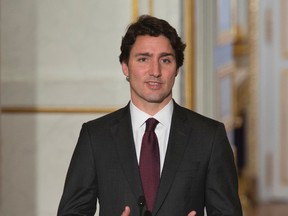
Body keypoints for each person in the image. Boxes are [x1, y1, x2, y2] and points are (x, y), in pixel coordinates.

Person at [57, 15, 242, 216]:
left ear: (177, 69)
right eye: (143, 59)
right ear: (125, 66)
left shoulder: (209, 136)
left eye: (165, 60)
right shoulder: (95, 136)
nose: (155, 71)